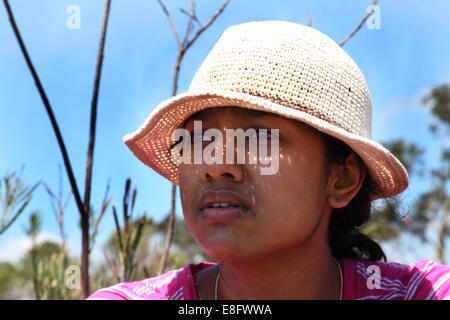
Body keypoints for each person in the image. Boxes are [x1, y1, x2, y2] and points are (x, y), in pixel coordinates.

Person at [87, 20, 450, 300]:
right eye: (198, 141)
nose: (215, 165)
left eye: (258, 139)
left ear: (341, 178)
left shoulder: (422, 292)